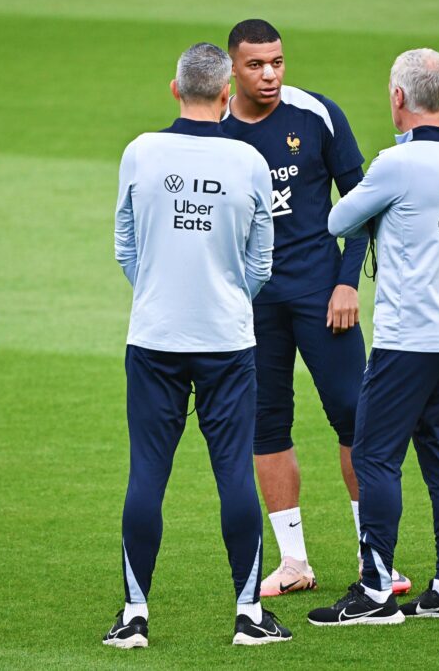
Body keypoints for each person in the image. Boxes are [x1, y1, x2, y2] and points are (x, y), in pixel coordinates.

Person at [104, 42, 292, 648]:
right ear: (225, 96)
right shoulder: (247, 162)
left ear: (174, 89)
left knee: (147, 476)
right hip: (228, 342)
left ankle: (134, 616)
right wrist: (228, 297)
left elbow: (125, 247)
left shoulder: (140, 152)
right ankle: (249, 616)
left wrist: (160, 292)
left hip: (154, 337)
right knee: (234, 473)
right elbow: (261, 262)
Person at [221, 18, 411, 597]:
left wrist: (347, 283)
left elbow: (360, 205)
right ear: (233, 67)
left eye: (277, 61)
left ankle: (372, 559)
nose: (271, 74)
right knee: (266, 427)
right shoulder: (216, 130)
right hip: (252, 307)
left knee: (356, 419)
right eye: (256, 65)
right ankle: (295, 562)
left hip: (322, 298)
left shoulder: (316, 113)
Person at [307, 48, 439, 626]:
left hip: (409, 336)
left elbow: (337, 221)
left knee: (374, 455)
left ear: (399, 98)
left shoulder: (395, 164)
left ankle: (377, 592)